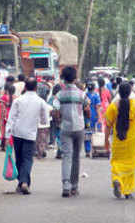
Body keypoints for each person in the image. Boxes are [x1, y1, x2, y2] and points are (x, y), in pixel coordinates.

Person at [104, 83, 135, 200]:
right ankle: (127, 191)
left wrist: (106, 141)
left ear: (118, 92)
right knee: (130, 165)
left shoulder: (113, 107)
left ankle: (116, 179)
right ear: (130, 92)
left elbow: (108, 126)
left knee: (117, 162)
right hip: (131, 142)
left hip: (118, 142)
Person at [5, 77, 48, 195]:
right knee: (28, 159)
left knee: (19, 158)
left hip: (17, 133)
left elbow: (11, 118)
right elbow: (45, 119)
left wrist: (7, 135)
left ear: (25, 87)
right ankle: (24, 183)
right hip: (30, 134)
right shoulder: (40, 101)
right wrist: (40, 121)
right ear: (36, 88)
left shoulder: (18, 101)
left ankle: (21, 183)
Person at [53, 67, 90, 197]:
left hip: (65, 128)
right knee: (76, 158)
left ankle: (66, 186)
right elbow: (87, 107)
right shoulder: (81, 94)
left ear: (63, 78)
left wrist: (59, 120)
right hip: (79, 128)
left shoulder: (59, 95)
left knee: (67, 156)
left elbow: (55, 109)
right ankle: (74, 186)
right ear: (75, 78)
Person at [0, 84, 16, 151]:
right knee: (11, 131)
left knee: (3, 130)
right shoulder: (15, 97)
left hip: (4, 115)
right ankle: (11, 144)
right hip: (12, 116)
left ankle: (3, 145)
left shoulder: (3, 97)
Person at [84, 84, 101, 158]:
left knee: (87, 132)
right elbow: (97, 107)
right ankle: (94, 149)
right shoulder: (96, 96)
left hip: (86, 117)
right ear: (94, 88)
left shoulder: (84, 96)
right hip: (93, 117)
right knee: (93, 133)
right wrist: (99, 117)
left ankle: (87, 150)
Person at [48, 84, 63, 159]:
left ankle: (60, 151)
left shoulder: (52, 98)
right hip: (62, 118)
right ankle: (60, 151)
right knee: (61, 135)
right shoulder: (61, 97)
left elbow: (49, 108)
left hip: (54, 119)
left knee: (57, 135)